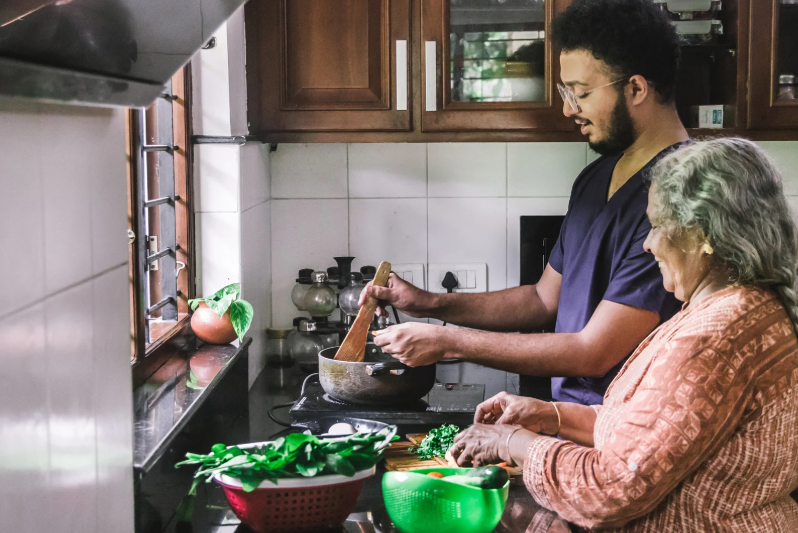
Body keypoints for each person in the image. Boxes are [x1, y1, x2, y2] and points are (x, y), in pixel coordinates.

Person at [450, 138, 798, 531]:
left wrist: (511, 442)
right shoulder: (746, 308)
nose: (648, 245)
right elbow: (652, 435)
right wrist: (552, 414)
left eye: (657, 227)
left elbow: (609, 488)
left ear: (703, 236)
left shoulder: (714, 338)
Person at [362, 0, 687, 406]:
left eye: (581, 93)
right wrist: (428, 303)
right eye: (566, 92)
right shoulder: (595, 178)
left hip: (628, 434)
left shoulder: (685, 196)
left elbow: (596, 351)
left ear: (636, 88)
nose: (569, 109)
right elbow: (542, 299)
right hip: (570, 426)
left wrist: (448, 342)